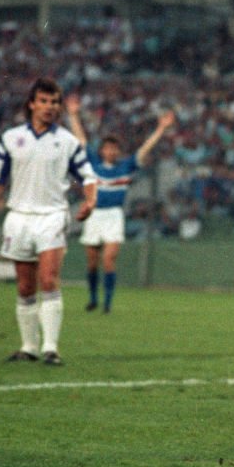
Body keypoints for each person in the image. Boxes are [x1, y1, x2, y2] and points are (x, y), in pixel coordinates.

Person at [0, 78, 98, 366]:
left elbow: (88, 176)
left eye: (54, 102)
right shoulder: (11, 138)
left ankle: (51, 348)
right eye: (43, 101)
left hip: (52, 216)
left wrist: (90, 201)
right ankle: (29, 347)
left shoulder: (67, 141)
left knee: (48, 280)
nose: (49, 107)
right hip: (18, 217)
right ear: (32, 104)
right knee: (25, 287)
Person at [65, 95, 176, 313]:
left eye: (114, 148)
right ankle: (93, 298)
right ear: (102, 150)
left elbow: (144, 150)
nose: (111, 151)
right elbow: (81, 139)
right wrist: (73, 114)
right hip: (94, 214)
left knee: (109, 260)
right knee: (92, 262)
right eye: (107, 148)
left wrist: (161, 129)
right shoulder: (94, 164)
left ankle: (107, 303)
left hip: (114, 215)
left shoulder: (125, 167)